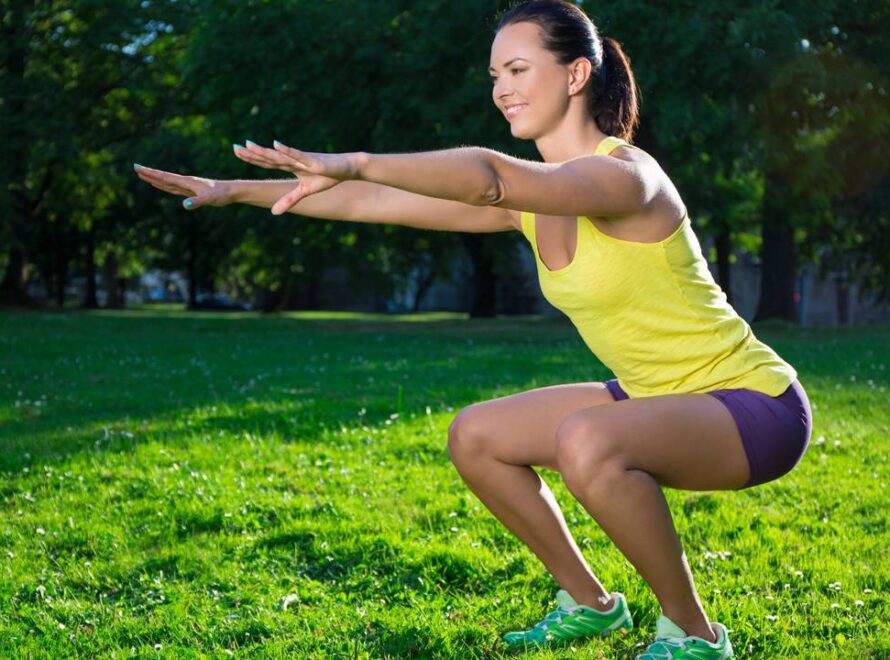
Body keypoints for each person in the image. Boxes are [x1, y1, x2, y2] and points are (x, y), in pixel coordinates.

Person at [134, 1, 812, 657]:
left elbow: (486, 177)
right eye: (494, 76)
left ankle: (694, 634)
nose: (501, 89)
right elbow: (377, 201)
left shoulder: (628, 178)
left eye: (518, 70)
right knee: (477, 436)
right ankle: (591, 605)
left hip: (753, 407)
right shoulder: (533, 204)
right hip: (653, 395)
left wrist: (354, 157)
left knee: (586, 439)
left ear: (576, 75)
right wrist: (233, 189)